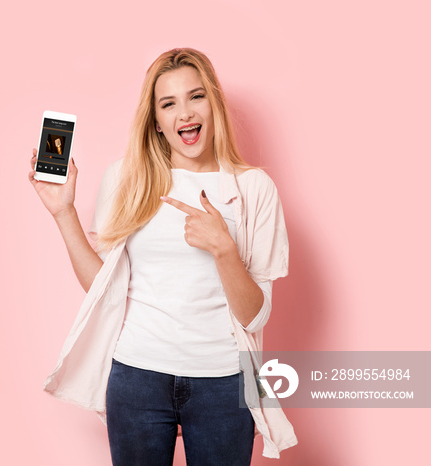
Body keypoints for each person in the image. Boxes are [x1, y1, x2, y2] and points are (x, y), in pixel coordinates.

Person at [28, 48, 297, 465]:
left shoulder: (255, 189)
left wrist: (224, 249)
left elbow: (255, 316)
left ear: (214, 103)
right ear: (156, 120)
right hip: (137, 378)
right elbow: (105, 290)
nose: (184, 113)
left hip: (224, 383)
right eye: (168, 103)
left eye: (196, 97)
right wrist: (63, 212)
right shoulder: (126, 179)